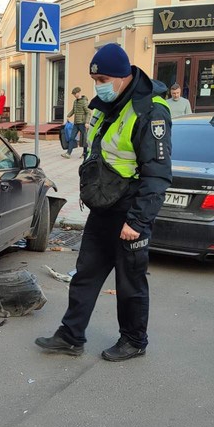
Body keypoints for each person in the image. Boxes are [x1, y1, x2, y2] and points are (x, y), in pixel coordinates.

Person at [35, 43, 172, 362]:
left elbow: (158, 175)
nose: (99, 86)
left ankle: (134, 340)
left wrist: (137, 222)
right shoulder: (104, 104)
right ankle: (71, 335)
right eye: (95, 80)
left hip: (130, 209)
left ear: (123, 77)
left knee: (130, 283)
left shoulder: (150, 111)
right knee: (85, 274)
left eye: (104, 79)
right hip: (103, 206)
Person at [61, 86, 91, 159]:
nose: (74, 95)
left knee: (84, 139)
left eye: (75, 94)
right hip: (76, 123)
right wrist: (68, 115)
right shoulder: (75, 101)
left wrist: (87, 122)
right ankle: (68, 153)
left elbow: (88, 112)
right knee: (71, 137)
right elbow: (73, 110)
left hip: (83, 123)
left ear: (79, 92)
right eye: (73, 94)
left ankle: (85, 153)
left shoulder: (84, 101)